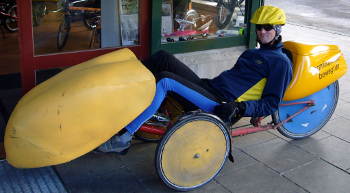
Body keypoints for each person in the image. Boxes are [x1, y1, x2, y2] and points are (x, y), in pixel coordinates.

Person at [97, 5, 293, 154]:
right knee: (163, 56)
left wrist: (240, 108)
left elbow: (271, 104)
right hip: (209, 87)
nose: (261, 32)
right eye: (259, 27)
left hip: (221, 104)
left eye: (267, 27)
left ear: (277, 29)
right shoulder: (251, 53)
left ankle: (123, 138)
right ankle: (121, 94)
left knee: (165, 80)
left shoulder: (280, 63)